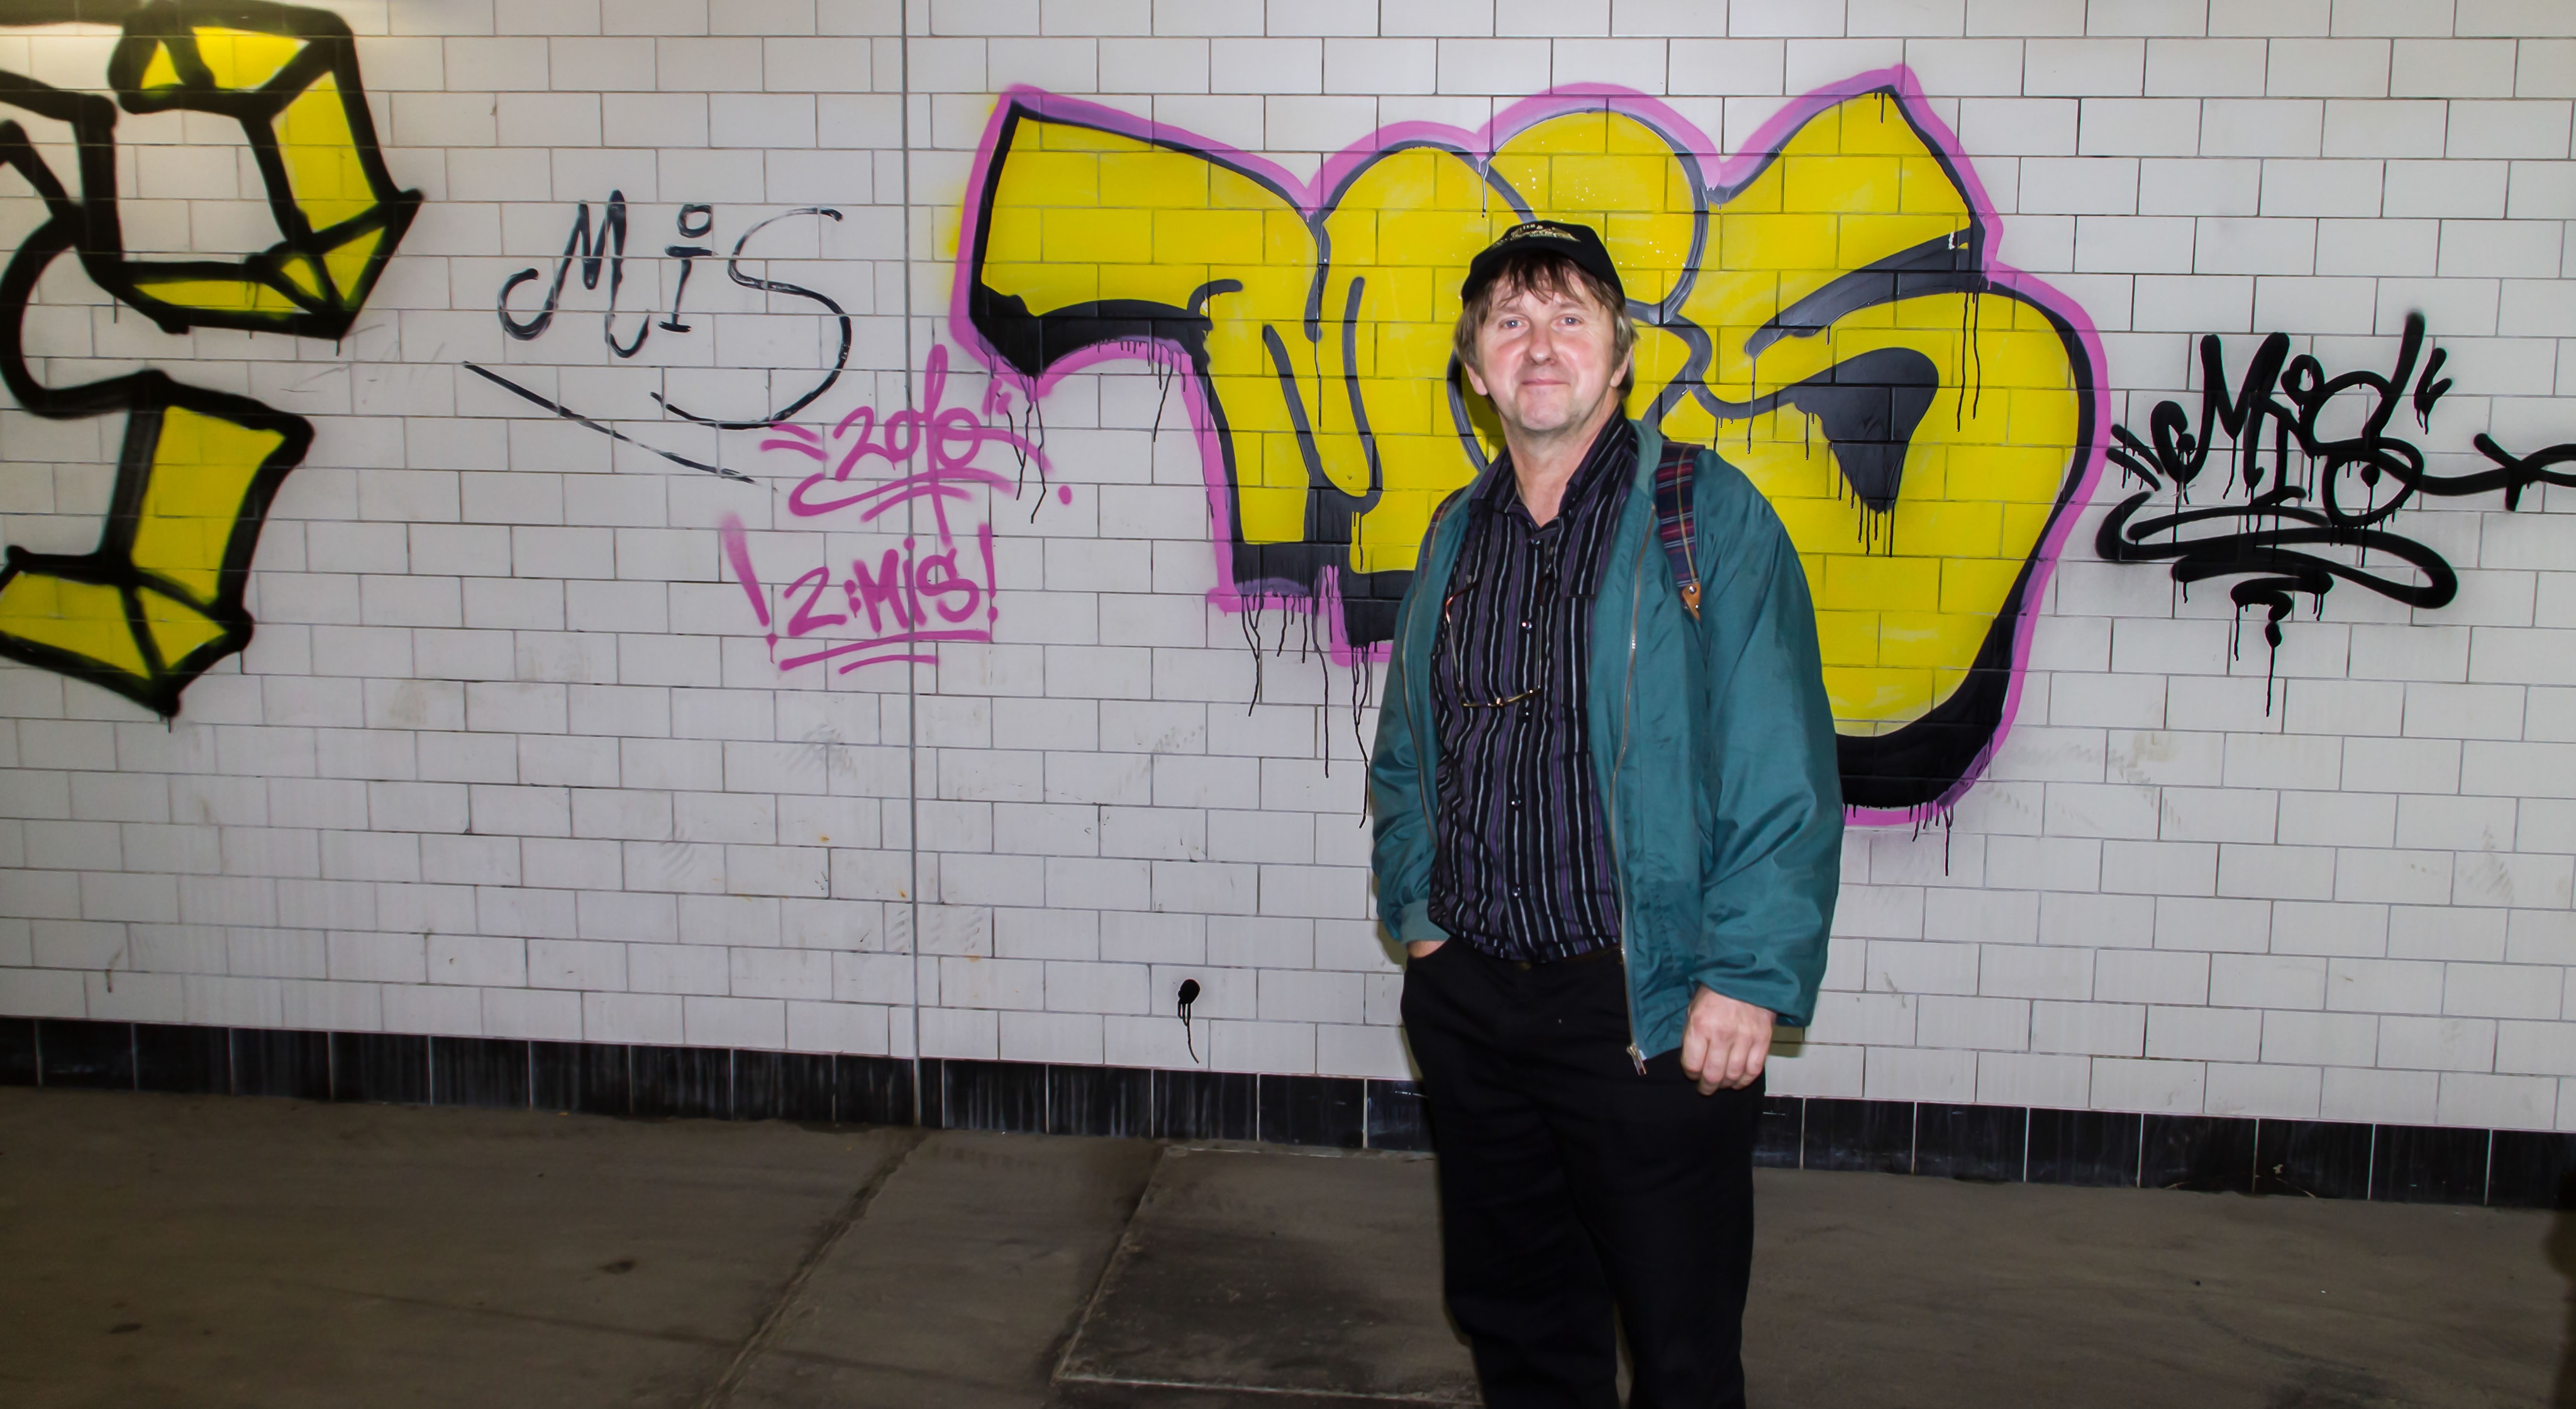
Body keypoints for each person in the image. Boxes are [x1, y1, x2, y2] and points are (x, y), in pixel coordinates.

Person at [1368, 219, 1844, 1409]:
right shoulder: (1454, 532)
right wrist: (1420, 919)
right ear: (1476, 370)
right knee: (1520, 1330)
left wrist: (1746, 977)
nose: (1540, 345)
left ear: (1621, 359)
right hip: (1474, 1006)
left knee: (1681, 1351)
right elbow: (1407, 750)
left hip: (1642, 1013)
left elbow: (1781, 761)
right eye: (1510, 322)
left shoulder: (1706, 518)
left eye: (1570, 317)